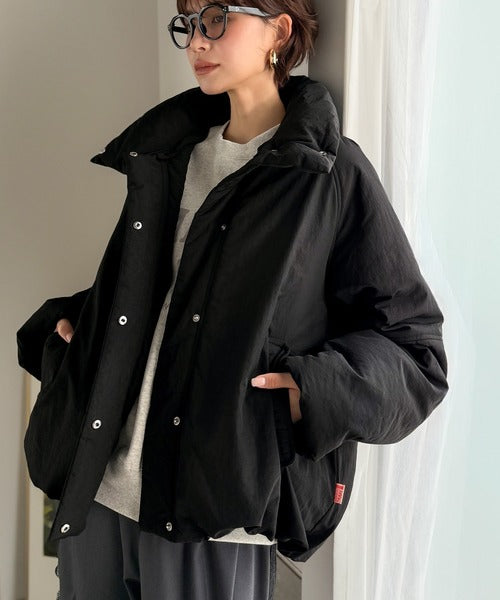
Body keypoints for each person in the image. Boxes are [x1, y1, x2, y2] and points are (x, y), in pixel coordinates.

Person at [16, 1, 449, 598]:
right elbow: (171, 298)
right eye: (189, 22)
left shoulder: (327, 173)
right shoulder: (170, 155)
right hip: (100, 487)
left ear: (280, 30)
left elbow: (416, 350)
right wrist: (74, 327)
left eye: (217, 17)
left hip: (213, 510)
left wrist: (311, 390)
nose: (198, 40)